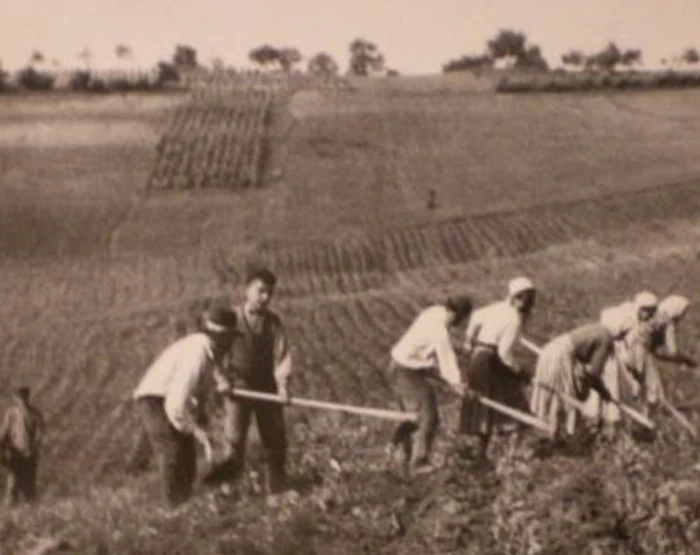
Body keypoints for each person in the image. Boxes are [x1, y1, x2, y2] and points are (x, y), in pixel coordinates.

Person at [129, 306, 237, 506]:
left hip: (169, 400)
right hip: (156, 400)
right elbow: (176, 404)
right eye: (230, 338)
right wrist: (196, 430)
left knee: (187, 458)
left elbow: (210, 377)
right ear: (221, 336)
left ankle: (184, 504)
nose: (232, 344)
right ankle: (172, 509)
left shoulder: (209, 350)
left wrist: (221, 383)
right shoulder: (197, 353)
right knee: (173, 452)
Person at [206, 268, 292, 494]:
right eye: (261, 291)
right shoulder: (232, 320)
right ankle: (226, 490)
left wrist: (282, 387)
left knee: (275, 440)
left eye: (270, 293)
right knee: (233, 441)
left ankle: (278, 488)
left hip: (267, 387)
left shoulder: (274, 323)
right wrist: (221, 380)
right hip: (238, 388)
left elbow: (282, 356)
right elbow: (213, 354)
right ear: (247, 290)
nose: (266, 297)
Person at [386, 296, 472, 475]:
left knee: (411, 416)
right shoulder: (439, 331)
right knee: (429, 416)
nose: (462, 323)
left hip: (400, 367)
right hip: (406, 372)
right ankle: (419, 463)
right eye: (463, 318)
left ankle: (400, 454)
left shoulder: (434, 311)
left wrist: (439, 373)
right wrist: (456, 384)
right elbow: (446, 358)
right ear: (457, 314)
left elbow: (429, 350)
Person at [459, 277, 537, 459]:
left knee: (486, 407)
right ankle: (512, 450)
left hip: (478, 359)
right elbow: (504, 354)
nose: (525, 302)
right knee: (512, 401)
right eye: (523, 298)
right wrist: (521, 372)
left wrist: (468, 342)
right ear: (516, 297)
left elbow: (475, 317)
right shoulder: (514, 318)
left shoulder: (497, 308)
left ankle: (483, 452)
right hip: (490, 363)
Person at [530, 322, 623, 441]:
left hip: (550, 348)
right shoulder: (606, 339)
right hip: (561, 356)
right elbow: (594, 373)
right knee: (564, 397)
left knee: (550, 395)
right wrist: (603, 392)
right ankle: (558, 436)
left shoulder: (597, 328)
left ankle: (548, 433)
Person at [582, 291, 659, 430]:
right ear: (640, 309)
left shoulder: (633, 319)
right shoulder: (628, 319)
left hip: (610, 354)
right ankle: (601, 426)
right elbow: (616, 339)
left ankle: (600, 426)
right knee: (610, 391)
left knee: (608, 392)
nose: (649, 317)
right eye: (648, 312)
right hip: (608, 357)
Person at [0, 386, 45, 507]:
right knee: (13, 483)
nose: (22, 401)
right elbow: (4, 432)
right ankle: (10, 511)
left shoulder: (35, 415)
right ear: (15, 399)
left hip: (29, 454)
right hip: (15, 453)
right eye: (19, 398)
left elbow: (39, 435)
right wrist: (3, 449)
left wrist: (33, 449)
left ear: (27, 398)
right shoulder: (11, 413)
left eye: (23, 398)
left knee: (29, 484)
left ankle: (28, 512)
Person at [650, 295, 695, 367]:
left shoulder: (659, 311)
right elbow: (672, 346)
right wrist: (679, 357)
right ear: (676, 311)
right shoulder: (667, 321)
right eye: (682, 312)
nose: (683, 315)